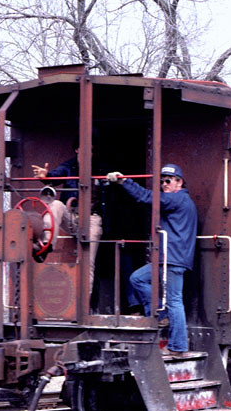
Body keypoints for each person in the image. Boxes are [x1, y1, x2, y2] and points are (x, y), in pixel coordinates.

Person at [106, 163, 198, 358]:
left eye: (168, 181)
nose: (164, 184)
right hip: (168, 257)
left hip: (173, 259)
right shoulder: (180, 200)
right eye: (162, 181)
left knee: (174, 301)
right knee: (137, 278)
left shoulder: (178, 199)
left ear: (179, 182)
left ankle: (178, 346)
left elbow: (146, 197)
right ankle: (160, 314)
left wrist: (124, 181)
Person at [31, 149, 103, 293]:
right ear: (77, 149)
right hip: (71, 216)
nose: (87, 153)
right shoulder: (69, 167)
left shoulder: (101, 168)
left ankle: (81, 307)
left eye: (91, 150)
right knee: (56, 204)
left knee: (86, 264)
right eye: (83, 148)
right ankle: (45, 246)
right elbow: (55, 176)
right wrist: (46, 177)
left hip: (92, 219)